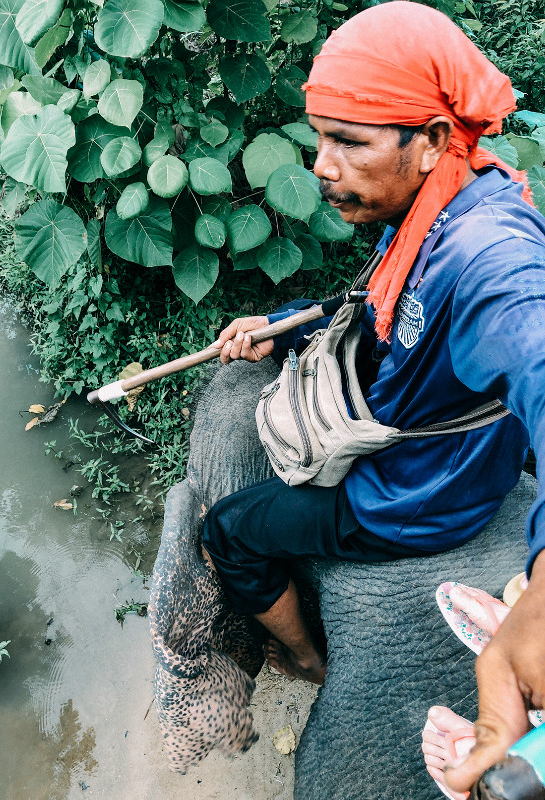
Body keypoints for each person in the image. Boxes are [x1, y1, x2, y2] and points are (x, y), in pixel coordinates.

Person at [202, 2, 545, 796]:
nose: (322, 164)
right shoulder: (439, 203)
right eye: (320, 137)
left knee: (232, 530)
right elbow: (379, 306)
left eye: (350, 142)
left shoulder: (492, 252)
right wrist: (285, 330)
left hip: (414, 496)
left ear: (428, 140)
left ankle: (307, 658)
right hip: (437, 453)